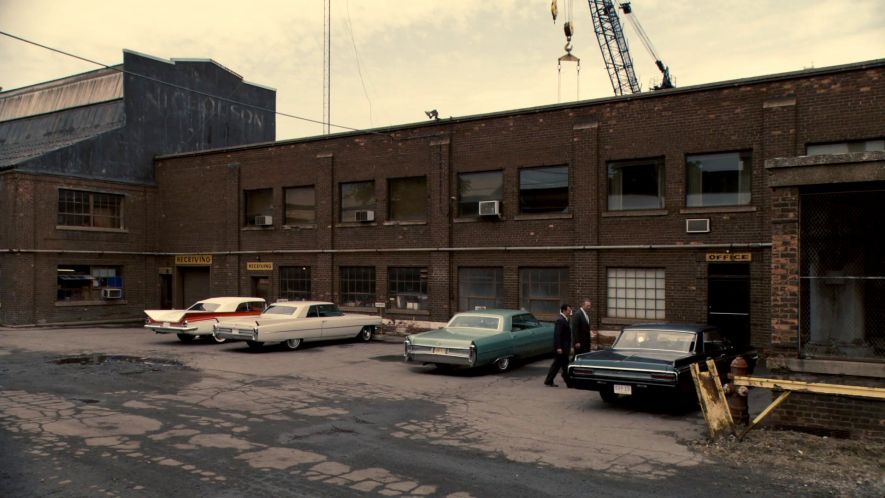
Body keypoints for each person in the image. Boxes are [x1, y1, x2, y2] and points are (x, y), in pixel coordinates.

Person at [544, 303, 573, 387]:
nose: (570, 312)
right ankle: (569, 382)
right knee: (563, 365)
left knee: (557, 365)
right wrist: (559, 347)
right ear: (564, 310)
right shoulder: (560, 320)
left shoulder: (566, 319)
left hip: (565, 347)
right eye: (568, 310)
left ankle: (549, 380)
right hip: (561, 348)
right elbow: (557, 335)